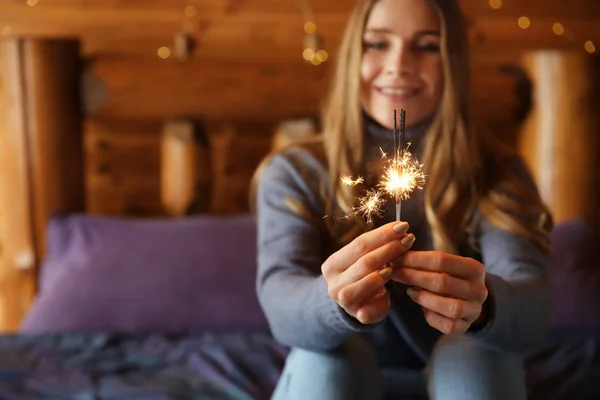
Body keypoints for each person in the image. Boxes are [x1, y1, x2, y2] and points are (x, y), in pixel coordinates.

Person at [251, 0, 554, 398]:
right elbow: (280, 303)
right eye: (377, 44)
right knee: (323, 360)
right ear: (351, 56)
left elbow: (532, 305)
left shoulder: (498, 174)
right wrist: (336, 302)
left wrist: (486, 304)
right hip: (338, 380)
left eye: (427, 46)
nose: (399, 64)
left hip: (465, 377)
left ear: (453, 62)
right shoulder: (295, 173)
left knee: (471, 356)